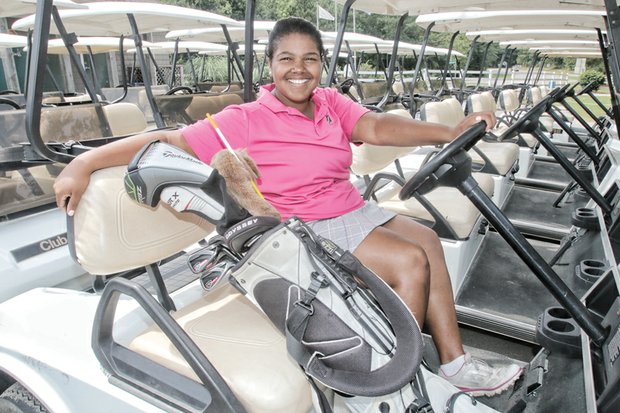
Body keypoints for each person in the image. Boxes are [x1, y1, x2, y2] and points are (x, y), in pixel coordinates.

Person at [54, 17, 522, 396]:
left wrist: (451, 130)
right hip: (301, 230)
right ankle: (387, 381)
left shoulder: (330, 103)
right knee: (408, 261)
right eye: (286, 60)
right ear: (271, 66)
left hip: (350, 209)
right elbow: (168, 140)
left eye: (309, 59)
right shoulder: (244, 119)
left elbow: (378, 128)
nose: (299, 69)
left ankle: (454, 362)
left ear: (321, 65)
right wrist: (84, 163)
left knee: (425, 240)